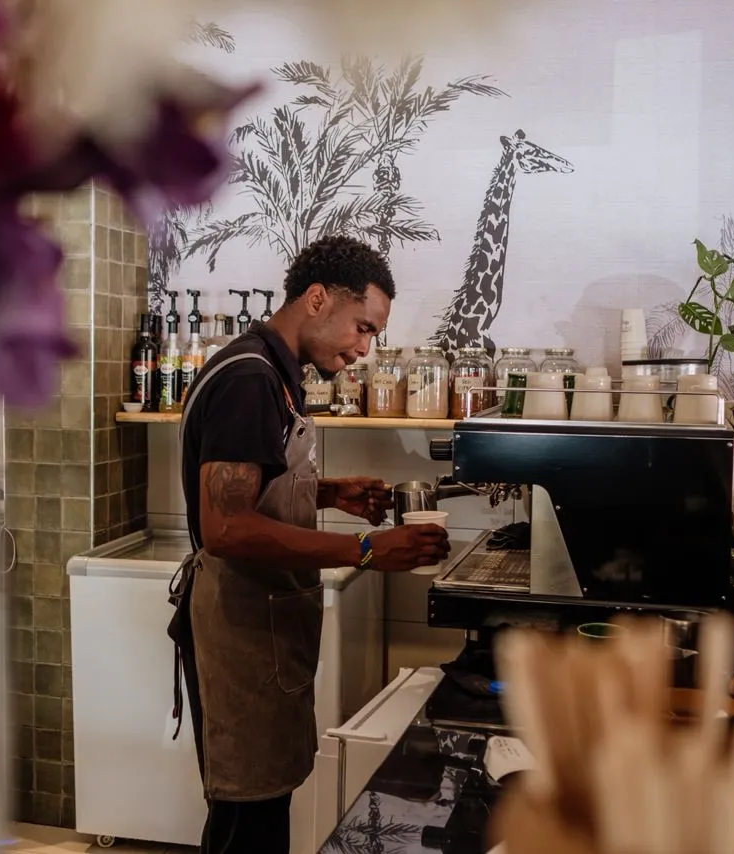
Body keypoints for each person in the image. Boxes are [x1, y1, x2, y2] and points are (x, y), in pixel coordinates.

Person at [168, 235, 451, 853]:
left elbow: (252, 483)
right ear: (317, 299)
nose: (364, 348)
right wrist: (369, 551)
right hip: (240, 629)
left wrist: (326, 493)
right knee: (248, 820)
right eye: (362, 327)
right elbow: (226, 528)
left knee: (263, 813)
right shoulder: (250, 379)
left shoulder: (274, 372)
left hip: (264, 628)